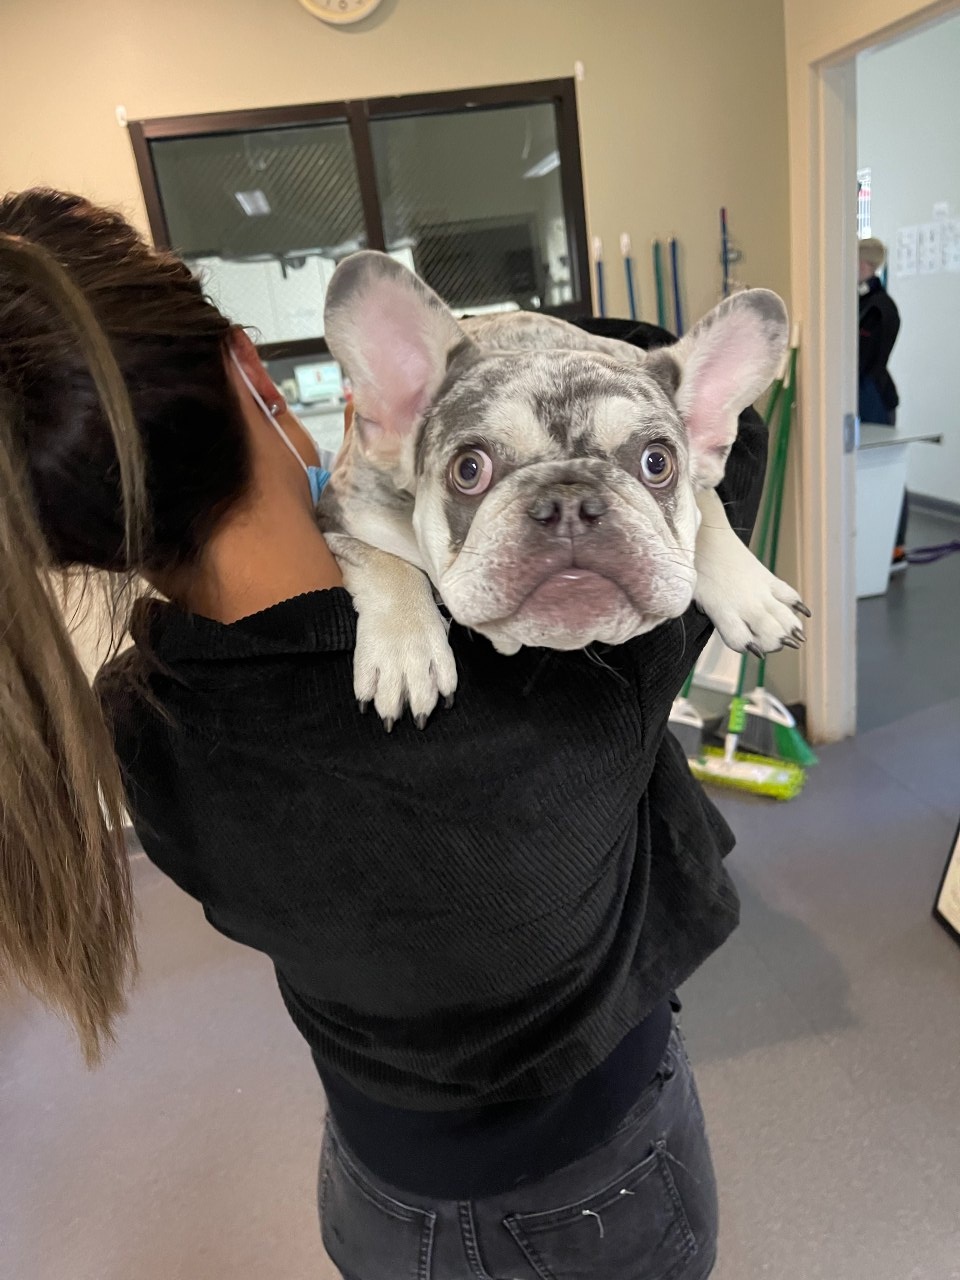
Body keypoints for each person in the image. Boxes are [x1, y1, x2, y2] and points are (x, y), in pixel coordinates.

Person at [0, 188, 771, 1280]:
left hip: (376, 1190)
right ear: (256, 375)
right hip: (594, 1189)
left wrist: (447, 425)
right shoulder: (567, 676)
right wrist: (497, 370)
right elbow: (700, 435)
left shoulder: (139, 723)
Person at [858, 236, 907, 564]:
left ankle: (895, 547)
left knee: (885, 469)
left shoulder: (879, 307)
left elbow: (862, 357)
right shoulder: (862, 302)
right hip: (862, 391)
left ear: (865, 265)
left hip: (873, 394)